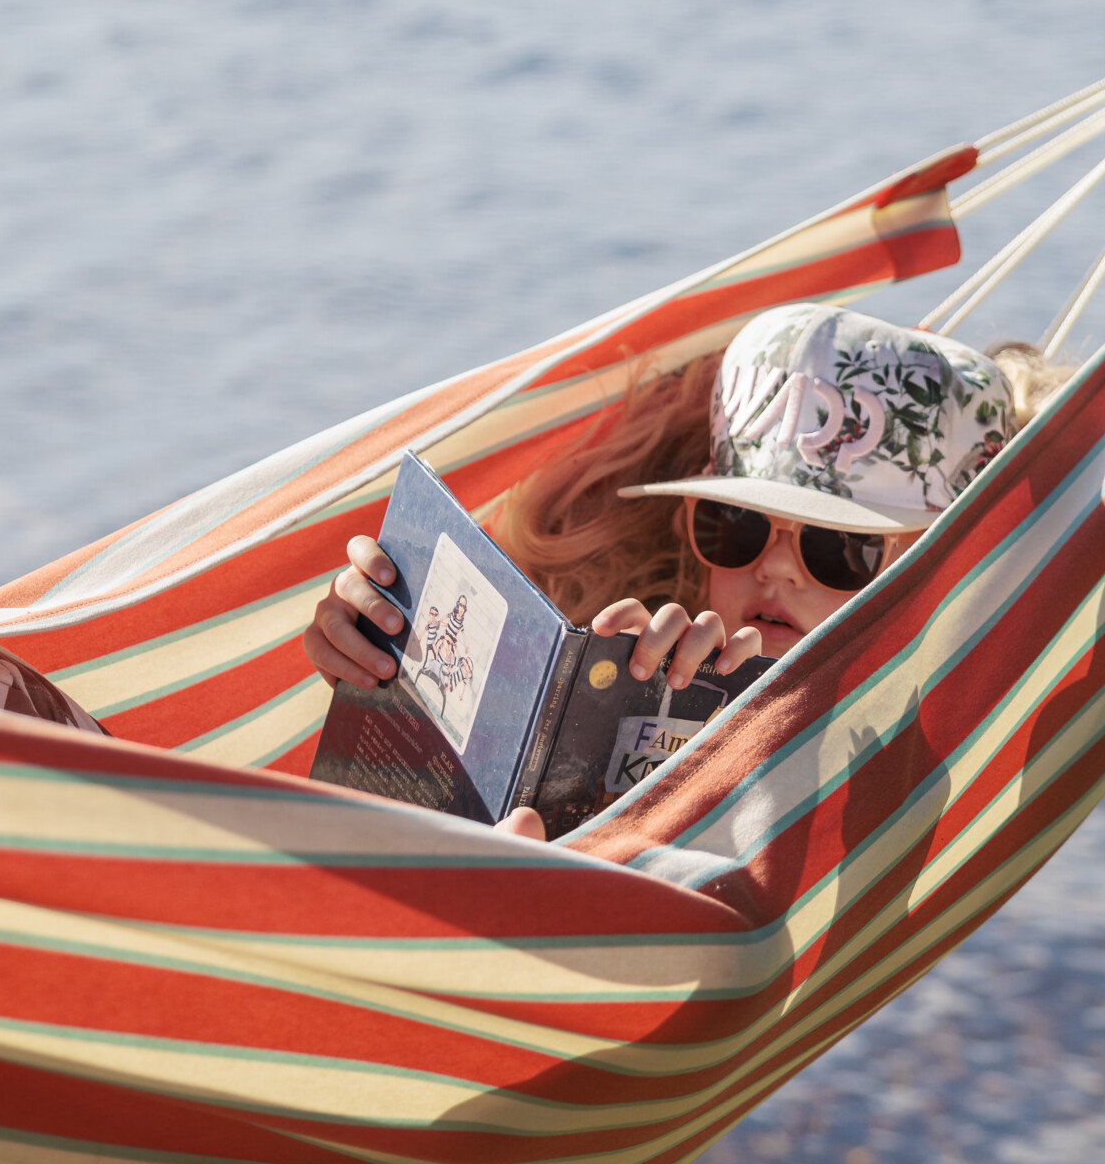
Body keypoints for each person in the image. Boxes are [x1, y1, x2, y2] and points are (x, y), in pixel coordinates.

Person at [303, 303, 1055, 836]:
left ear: (933, 561)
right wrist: (380, 668)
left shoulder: (952, 731)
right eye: (737, 527)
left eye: (839, 547)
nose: (777, 571)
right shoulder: (639, 665)